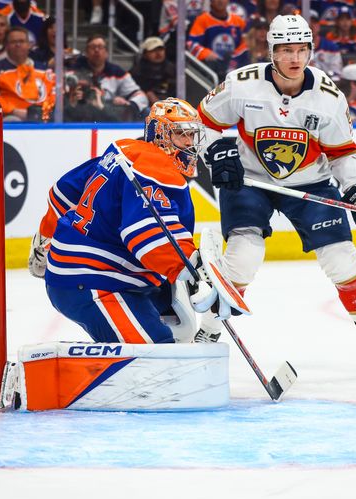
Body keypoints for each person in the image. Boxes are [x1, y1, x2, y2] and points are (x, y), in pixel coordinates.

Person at [195, 15, 356, 376]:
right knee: (244, 255)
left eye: (301, 50)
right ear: (272, 52)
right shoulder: (242, 84)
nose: (295, 58)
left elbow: (341, 151)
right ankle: (208, 332)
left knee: (342, 257)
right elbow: (202, 123)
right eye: (286, 50)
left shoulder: (328, 97)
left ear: (311, 50)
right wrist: (215, 152)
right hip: (250, 181)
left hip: (310, 184)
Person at [28, 98, 235, 345]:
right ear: (161, 135)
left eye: (192, 135)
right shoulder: (155, 169)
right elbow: (148, 236)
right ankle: (56, 372)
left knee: (180, 328)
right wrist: (192, 270)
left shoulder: (125, 150)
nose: (190, 143)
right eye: (182, 134)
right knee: (155, 353)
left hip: (110, 274)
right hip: (92, 280)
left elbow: (64, 191)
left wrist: (45, 238)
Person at [0, 26, 55, 121]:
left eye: (22, 41)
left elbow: (55, 94)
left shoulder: (44, 70)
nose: (18, 44)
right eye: (13, 42)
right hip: (10, 118)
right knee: (13, 120)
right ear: (6, 46)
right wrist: (12, 111)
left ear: (29, 45)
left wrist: (44, 112)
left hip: (43, 118)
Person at [70, 34, 149, 121]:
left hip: (108, 114)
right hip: (80, 113)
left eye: (100, 47)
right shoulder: (75, 71)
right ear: (86, 52)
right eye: (92, 47)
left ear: (106, 53)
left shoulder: (117, 72)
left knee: (146, 111)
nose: (96, 50)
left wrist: (129, 105)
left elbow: (141, 96)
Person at [130, 36, 176, 105]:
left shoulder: (171, 68)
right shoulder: (137, 71)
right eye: (153, 50)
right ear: (145, 54)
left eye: (161, 49)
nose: (158, 53)